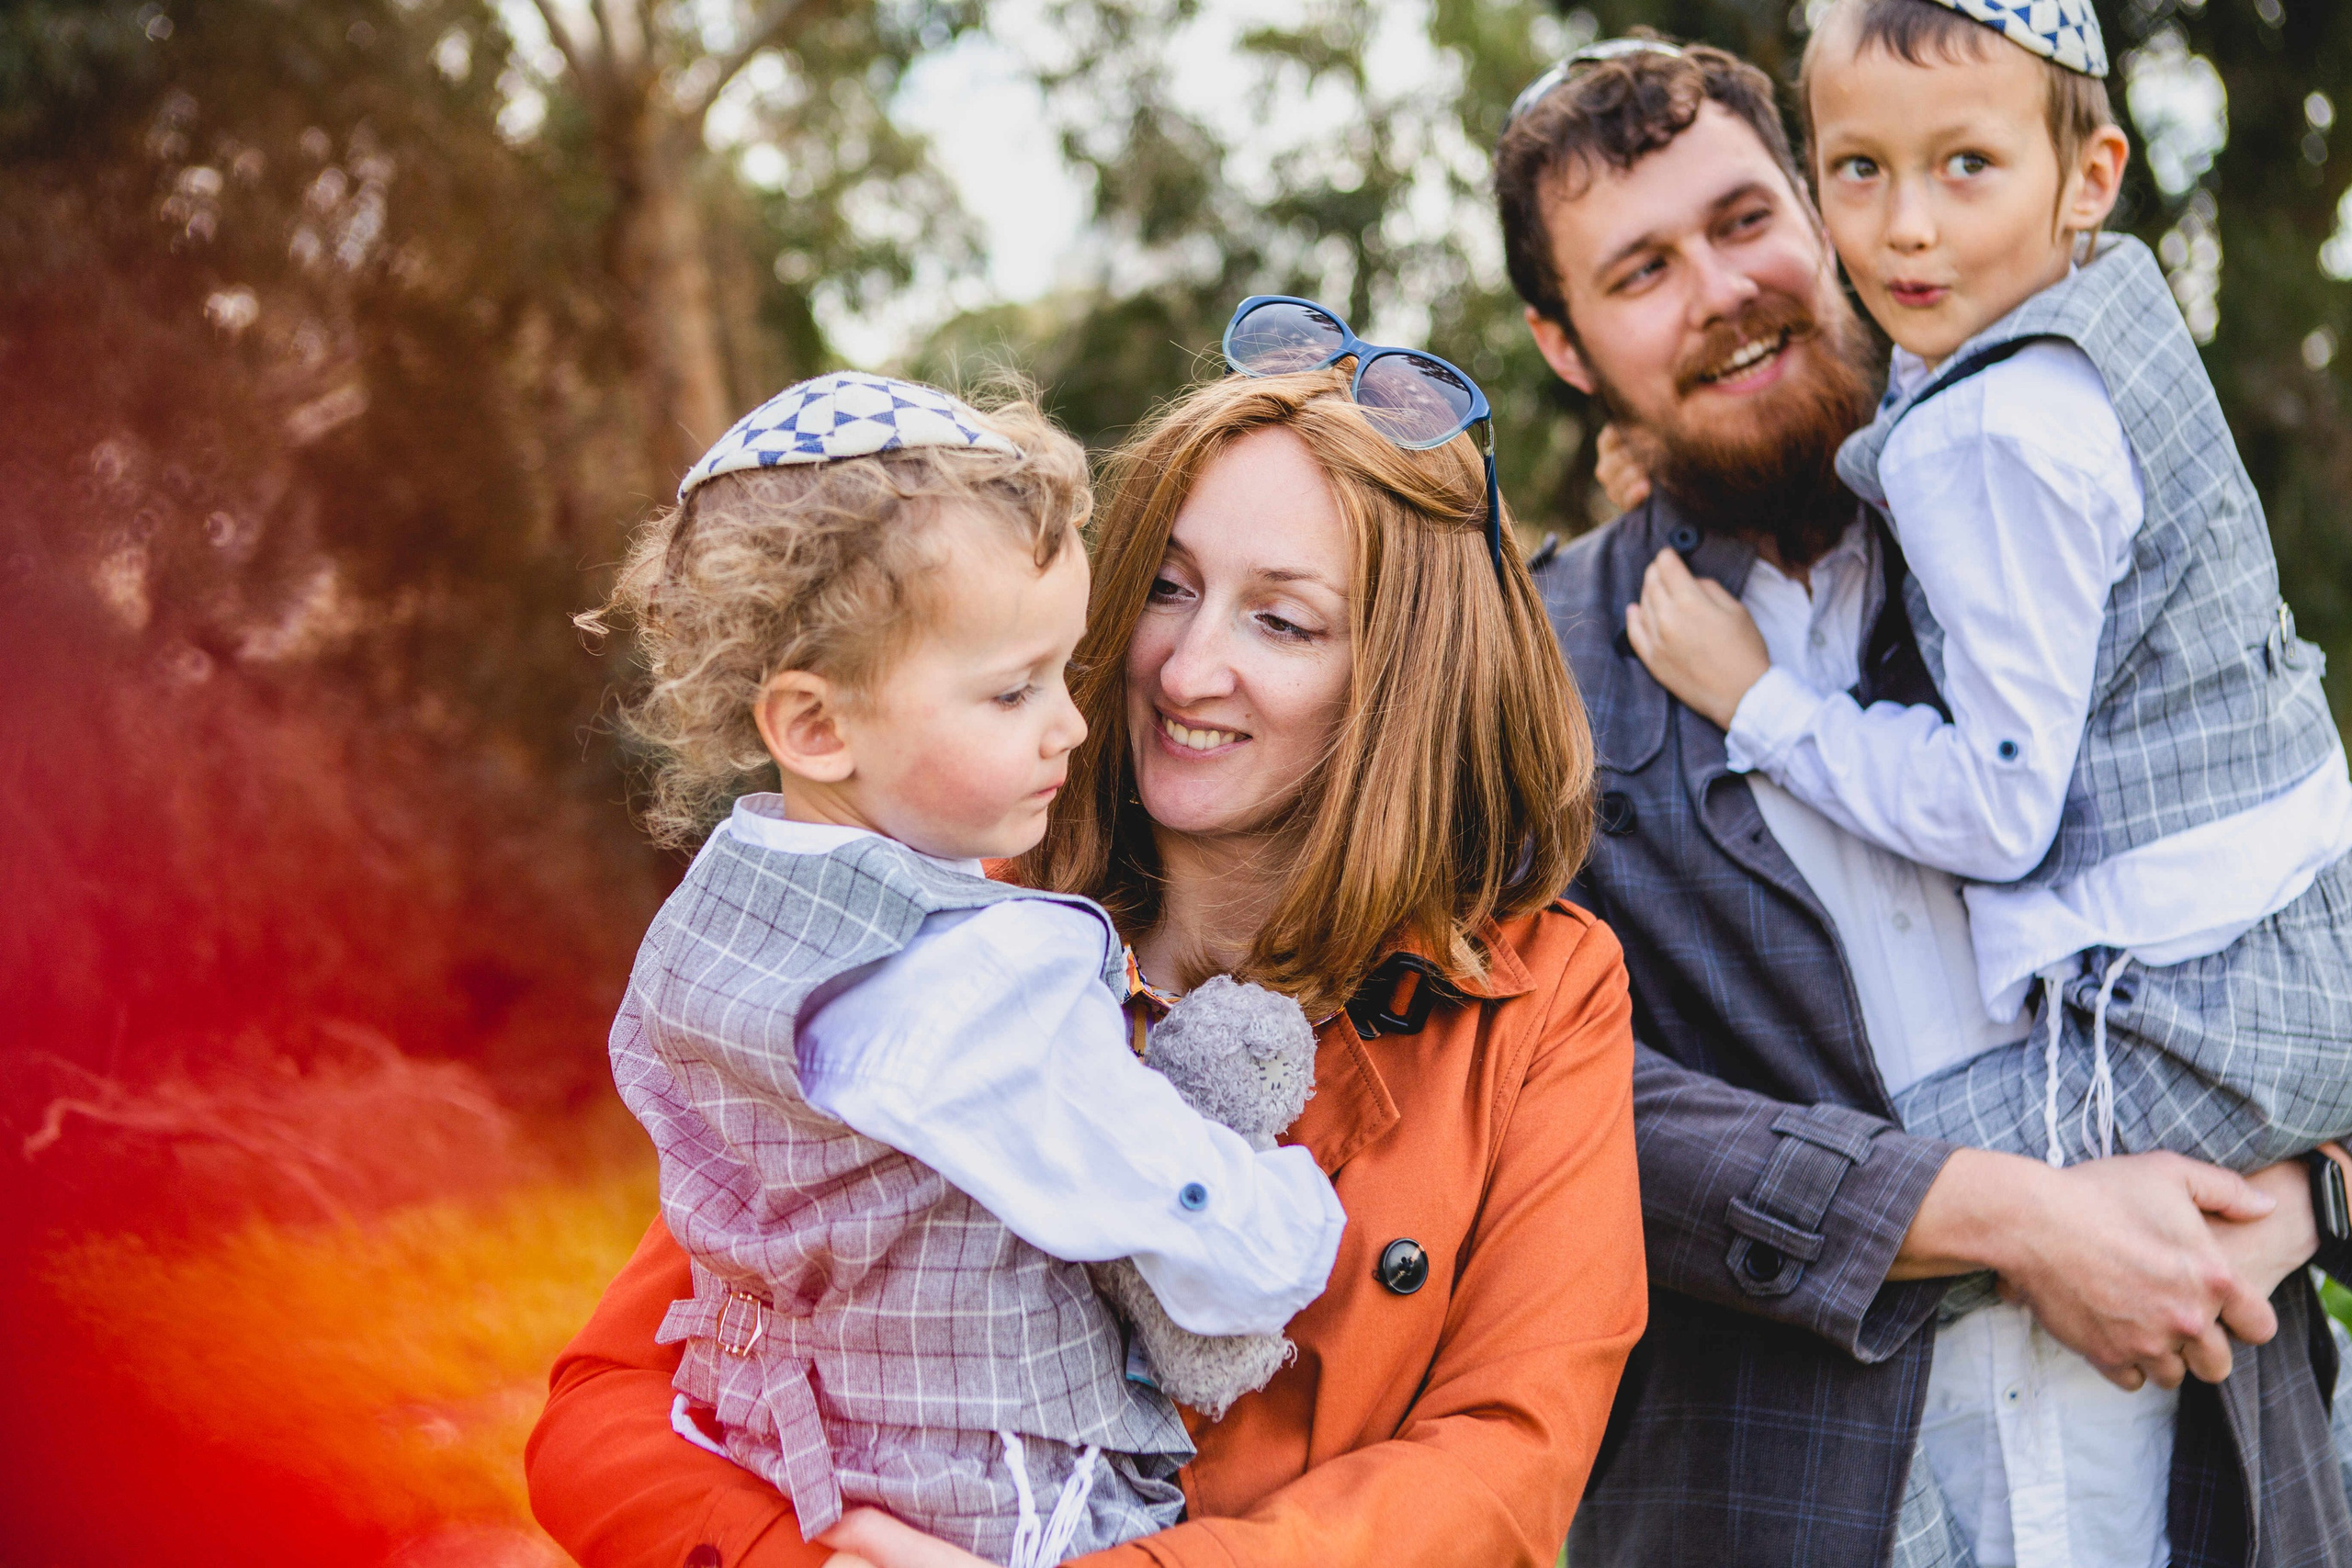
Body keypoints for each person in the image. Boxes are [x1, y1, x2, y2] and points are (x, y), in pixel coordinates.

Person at [526, 337, 1647, 1568]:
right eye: (1167, 587)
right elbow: (607, 1405)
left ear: (1401, 681)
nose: (1185, 663)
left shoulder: (1536, 997)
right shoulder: (933, 937)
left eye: (1279, 620)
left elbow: (1505, 1458)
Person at [1494, 34, 2352, 1567]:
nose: (1723, 289)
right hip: (1792, 1508)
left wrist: (2310, 1197)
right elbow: (1531, 1107)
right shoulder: (1527, 673)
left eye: (1746, 222)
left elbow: (2291, 888)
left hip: (2218, 1482)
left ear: (1819, 215)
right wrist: (1999, 1217)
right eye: (1641, 272)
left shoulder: (2058, 506)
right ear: (1569, 349)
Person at [572, 371, 1351, 1565]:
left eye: (1063, 672)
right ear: (817, 726)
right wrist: (1287, 1230)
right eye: (1012, 691)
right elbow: (1149, 1183)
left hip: (773, 1455)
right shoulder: (967, 977)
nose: (1073, 726)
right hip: (997, 1493)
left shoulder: (716, 915)